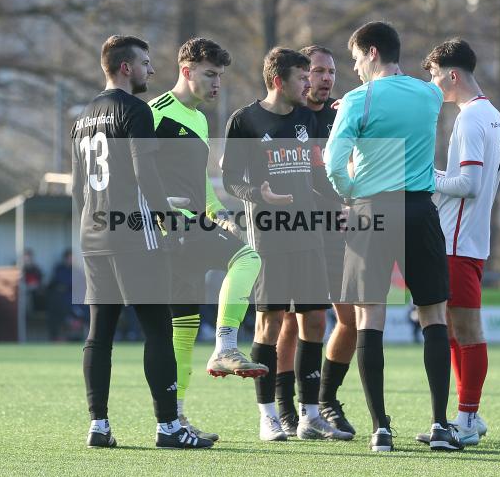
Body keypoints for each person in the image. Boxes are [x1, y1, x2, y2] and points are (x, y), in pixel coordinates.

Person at [325, 21, 462, 452]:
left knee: (370, 318)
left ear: (370, 52)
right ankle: (440, 424)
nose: (354, 69)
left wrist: (351, 191)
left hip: (371, 210)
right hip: (420, 209)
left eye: (354, 60)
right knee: (433, 315)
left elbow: (333, 163)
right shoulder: (429, 94)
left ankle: (380, 428)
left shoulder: (357, 100)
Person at [73, 34, 211, 449]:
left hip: (93, 234)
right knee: (157, 329)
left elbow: (79, 186)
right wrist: (167, 221)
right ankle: (169, 427)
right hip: (135, 235)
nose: (152, 70)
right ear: (126, 67)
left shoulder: (83, 116)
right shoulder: (135, 110)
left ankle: (99, 425)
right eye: (146, 63)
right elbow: (144, 174)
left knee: (100, 334)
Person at [222, 47, 352, 442]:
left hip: (309, 235)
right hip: (269, 238)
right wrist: (258, 194)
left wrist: (339, 203)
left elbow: (315, 176)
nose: (310, 84)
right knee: (271, 323)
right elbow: (229, 179)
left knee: (314, 321)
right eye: (302, 78)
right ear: (280, 81)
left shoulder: (306, 119)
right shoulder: (244, 120)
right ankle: (268, 417)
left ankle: (310, 415)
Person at [148, 37, 265, 442]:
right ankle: (226, 345)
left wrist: (221, 214)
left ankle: (174, 422)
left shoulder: (198, 119)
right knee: (249, 258)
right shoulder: (156, 114)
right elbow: (135, 172)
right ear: (186, 71)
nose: (217, 83)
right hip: (175, 231)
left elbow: (201, 184)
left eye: (220, 76)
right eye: (210, 74)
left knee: (183, 328)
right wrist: (159, 218)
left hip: (193, 225)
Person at [412, 38, 500, 447]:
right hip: (468, 238)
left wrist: (424, 177)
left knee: (466, 329)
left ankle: (467, 418)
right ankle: (468, 413)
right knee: (452, 327)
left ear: (452, 75)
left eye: (434, 76)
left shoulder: (470, 119)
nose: (433, 84)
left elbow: (468, 184)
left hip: (457, 241)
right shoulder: (491, 113)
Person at [274, 45, 358, 437]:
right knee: (293, 321)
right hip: (298, 231)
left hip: (338, 233)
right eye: (317, 71)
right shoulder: (287, 118)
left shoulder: (342, 116)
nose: (324, 79)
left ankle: (326, 400)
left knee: (351, 320)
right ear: (301, 77)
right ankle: (286, 406)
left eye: (330, 72)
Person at [46, 248, 73, 341]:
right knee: (54, 310)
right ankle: (56, 337)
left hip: (72, 301)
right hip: (58, 301)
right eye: (69, 258)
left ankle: (65, 337)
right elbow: (58, 281)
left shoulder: (76, 270)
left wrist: (67, 286)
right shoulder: (59, 268)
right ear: (65, 258)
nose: (71, 260)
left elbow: (73, 284)